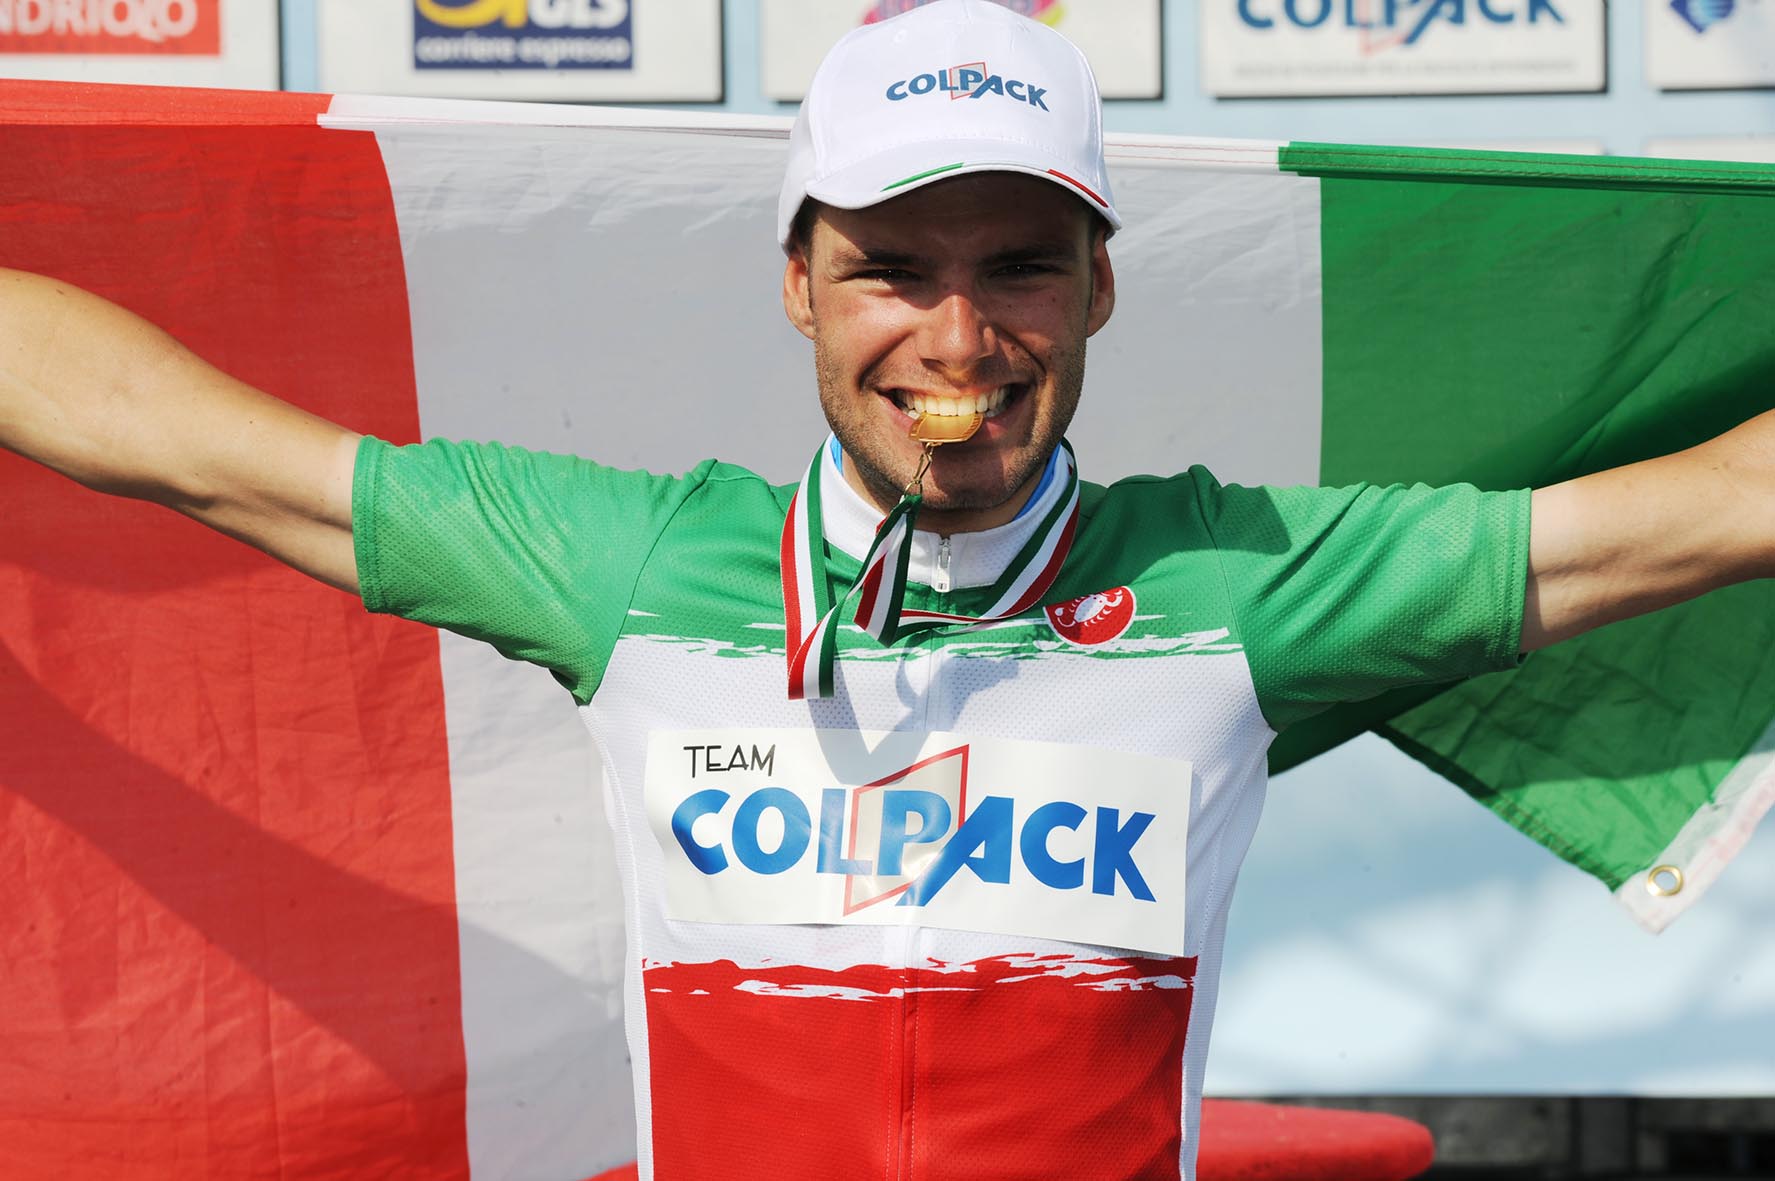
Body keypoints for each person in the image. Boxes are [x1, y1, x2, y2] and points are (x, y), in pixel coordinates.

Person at [2, 1, 1771, 1177]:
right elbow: (189, 443)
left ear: (1099, 287)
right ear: (798, 282)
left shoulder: (1242, 583)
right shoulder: (634, 568)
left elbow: (1710, 507)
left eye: (1021, 267)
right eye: (891, 269)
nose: (959, 337)